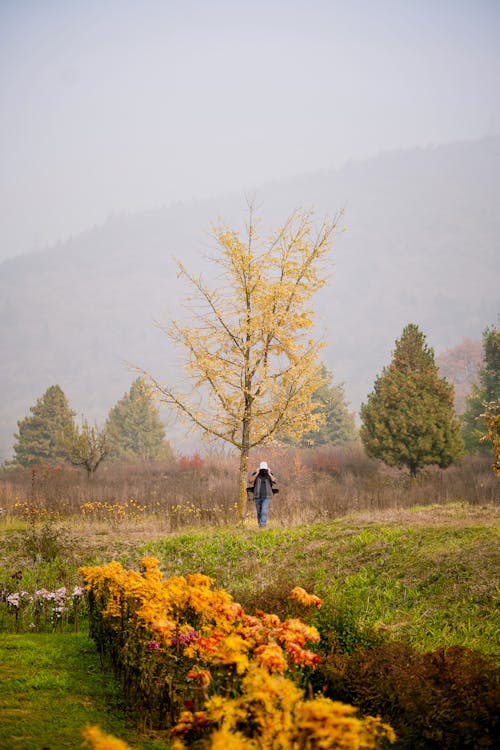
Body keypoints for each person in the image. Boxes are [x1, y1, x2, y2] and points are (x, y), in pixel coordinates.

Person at [248, 461, 278, 528]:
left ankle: (263, 525)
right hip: (257, 496)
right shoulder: (256, 473)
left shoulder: (269, 474)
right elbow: (250, 481)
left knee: (264, 511)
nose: (263, 470)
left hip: (267, 496)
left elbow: (274, 480)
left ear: (267, 468)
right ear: (259, 468)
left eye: (264, 469)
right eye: (262, 469)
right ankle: (260, 525)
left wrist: (270, 473)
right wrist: (257, 473)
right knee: (259, 512)